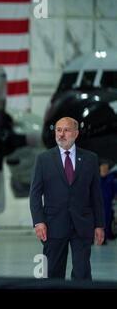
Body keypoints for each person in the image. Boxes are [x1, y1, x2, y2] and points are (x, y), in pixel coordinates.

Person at [30, 117, 105, 280]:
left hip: (82, 224)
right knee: (52, 273)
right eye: (58, 130)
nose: (61, 134)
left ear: (76, 133)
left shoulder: (90, 159)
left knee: (82, 273)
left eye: (66, 130)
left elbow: (96, 195)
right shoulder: (43, 159)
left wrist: (99, 224)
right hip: (53, 225)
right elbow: (35, 194)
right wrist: (39, 221)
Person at [99, 160, 117, 244]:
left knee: (106, 221)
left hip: (107, 204)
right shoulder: (96, 178)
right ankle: (92, 239)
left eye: (106, 167)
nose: (104, 169)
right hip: (97, 203)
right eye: (103, 167)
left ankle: (104, 239)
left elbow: (115, 191)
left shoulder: (111, 179)